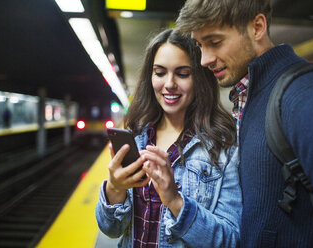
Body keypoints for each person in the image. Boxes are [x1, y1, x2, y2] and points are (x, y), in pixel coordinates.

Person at [176, 0, 313, 247]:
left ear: (257, 27)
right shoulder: (252, 95)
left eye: (215, 42)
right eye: (200, 45)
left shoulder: (310, 95)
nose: (204, 59)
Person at [95, 28, 242, 247]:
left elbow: (231, 240)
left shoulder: (224, 145)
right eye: (160, 72)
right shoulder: (137, 136)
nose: (169, 83)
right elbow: (112, 229)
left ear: (200, 78)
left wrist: (175, 201)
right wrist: (114, 189)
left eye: (183, 73)